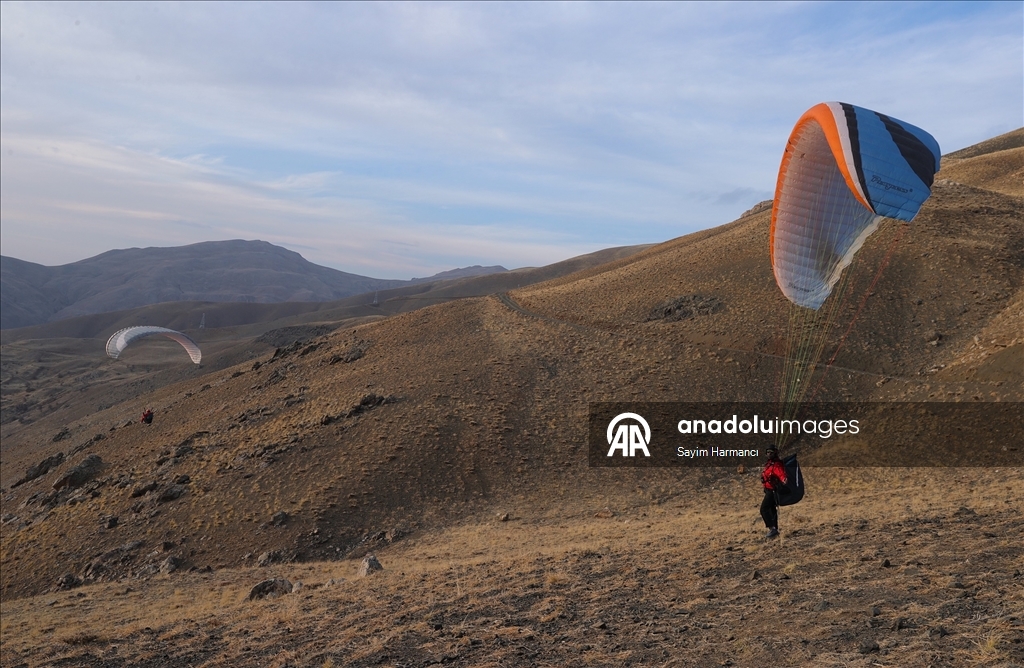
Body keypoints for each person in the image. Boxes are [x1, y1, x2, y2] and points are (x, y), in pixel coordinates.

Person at [760, 446, 787, 539]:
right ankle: (775, 530)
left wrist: (784, 479)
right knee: (772, 510)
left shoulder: (776, 465)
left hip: (772, 491)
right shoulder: (769, 463)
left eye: (771, 452)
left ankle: (772, 529)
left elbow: (781, 473)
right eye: (767, 452)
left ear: (775, 453)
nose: (769, 454)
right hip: (768, 490)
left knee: (764, 509)